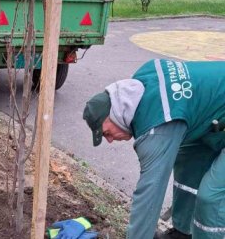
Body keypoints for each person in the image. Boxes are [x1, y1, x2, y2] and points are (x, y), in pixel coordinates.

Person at [83, 59, 225, 239]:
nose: (110, 140)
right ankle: (182, 233)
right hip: (214, 115)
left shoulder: (158, 128)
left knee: (211, 198)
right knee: (188, 160)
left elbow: (149, 195)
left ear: (115, 115)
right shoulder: (141, 84)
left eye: (106, 133)